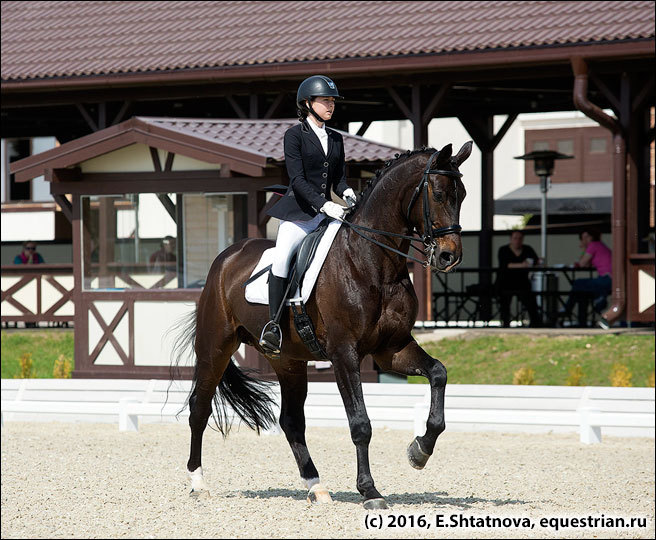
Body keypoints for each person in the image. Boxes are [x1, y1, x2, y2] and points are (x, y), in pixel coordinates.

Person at [259, 75, 357, 356]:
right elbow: (298, 180)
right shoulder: (294, 135)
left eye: (332, 101)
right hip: (300, 214)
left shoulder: (336, 138)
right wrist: (324, 205)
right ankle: (273, 327)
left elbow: (338, 179)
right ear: (307, 103)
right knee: (281, 258)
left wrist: (348, 192)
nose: (330, 105)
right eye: (325, 100)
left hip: (327, 214)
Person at [559, 227, 612, 327]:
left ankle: (568, 308)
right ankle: (580, 320)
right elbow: (587, 264)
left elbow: (582, 263)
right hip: (608, 279)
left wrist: (584, 249)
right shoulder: (600, 245)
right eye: (583, 238)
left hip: (606, 279)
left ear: (592, 237)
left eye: (587, 237)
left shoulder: (593, 245)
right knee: (581, 291)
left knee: (578, 283)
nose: (585, 240)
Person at [495, 230, 541, 327]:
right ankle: (505, 324)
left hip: (523, 282)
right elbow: (505, 265)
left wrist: (536, 263)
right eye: (515, 238)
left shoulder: (527, 249)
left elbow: (536, 261)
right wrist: (522, 265)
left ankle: (535, 324)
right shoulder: (503, 250)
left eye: (520, 238)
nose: (517, 241)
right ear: (511, 239)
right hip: (506, 282)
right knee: (504, 303)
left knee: (531, 302)